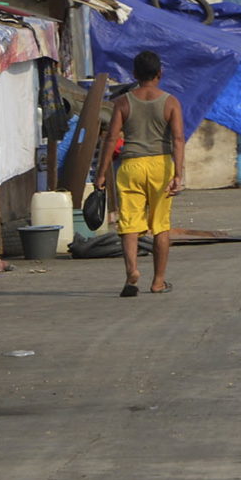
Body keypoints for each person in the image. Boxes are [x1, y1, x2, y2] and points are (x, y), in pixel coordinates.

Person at [93, 49, 186, 297]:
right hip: (161, 166)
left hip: (131, 166)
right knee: (161, 225)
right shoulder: (171, 102)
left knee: (129, 224)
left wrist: (101, 174)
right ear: (160, 73)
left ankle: (132, 273)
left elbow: (111, 138)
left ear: (134, 74)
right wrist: (178, 174)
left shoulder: (123, 102)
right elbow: (178, 139)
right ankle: (158, 281)